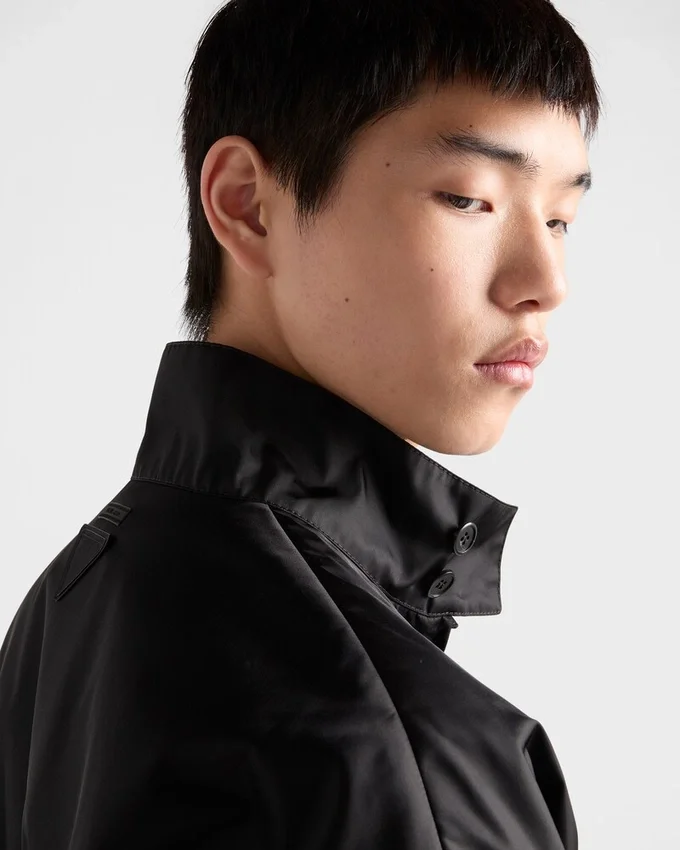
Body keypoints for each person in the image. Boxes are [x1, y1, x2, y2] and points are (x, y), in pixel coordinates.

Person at [0, 0, 602, 847]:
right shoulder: (396, 747)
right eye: (470, 200)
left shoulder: (72, 601)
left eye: (560, 218)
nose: (546, 281)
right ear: (249, 205)